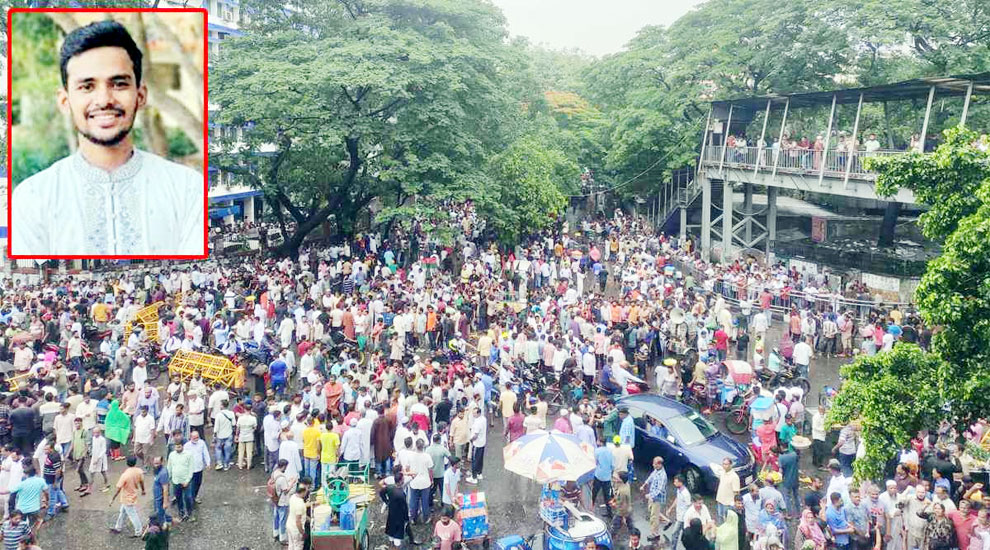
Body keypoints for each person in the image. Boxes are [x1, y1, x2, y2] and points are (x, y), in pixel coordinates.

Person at [11, 20, 204, 256]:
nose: (104, 100)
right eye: (87, 87)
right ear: (65, 101)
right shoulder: (33, 198)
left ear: (140, 96)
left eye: (119, 84)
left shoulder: (186, 189)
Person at [109, 456, 145, 537]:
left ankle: (138, 531)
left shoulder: (125, 475)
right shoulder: (139, 471)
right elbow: (141, 482)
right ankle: (118, 527)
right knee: (123, 512)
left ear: (127, 463)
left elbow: (118, 488)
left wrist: (113, 498)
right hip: (133, 496)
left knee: (133, 515)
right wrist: (143, 490)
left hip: (126, 498)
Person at [381, 473, 411, 548]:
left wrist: (386, 501)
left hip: (391, 512)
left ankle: (391, 543)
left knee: (391, 528)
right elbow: (404, 508)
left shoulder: (390, 487)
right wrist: (406, 518)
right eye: (403, 479)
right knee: (398, 534)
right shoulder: (401, 494)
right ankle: (396, 546)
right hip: (399, 515)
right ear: (400, 481)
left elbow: (381, 493)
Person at [166, 439, 194, 522]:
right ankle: (181, 512)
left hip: (186, 480)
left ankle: (189, 513)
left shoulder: (188, 455)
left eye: (179, 447)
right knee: (178, 498)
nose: (178, 448)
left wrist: (188, 480)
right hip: (176, 481)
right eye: (176, 447)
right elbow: (169, 467)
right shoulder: (172, 455)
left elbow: (191, 468)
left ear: (182, 446)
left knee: (188, 497)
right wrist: (168, 478)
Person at [712, 457, 741, 522]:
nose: (724, 466)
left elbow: (736, 492)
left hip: (728, 503)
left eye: (726, 464)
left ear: (730, 465)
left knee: (727, 519)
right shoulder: (722, 473)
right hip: (720, 500)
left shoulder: (734, 477)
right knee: (720, 516)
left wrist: (734, 503)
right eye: (723, 464)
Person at [287, 482, 309, 550]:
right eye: (306, 491)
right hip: (296, 530)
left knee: (291, 545)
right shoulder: (300, 504)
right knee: (298, 546)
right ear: (303, 492)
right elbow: (298, 521)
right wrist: (302, 532)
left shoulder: (293, 497)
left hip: (289, 525)